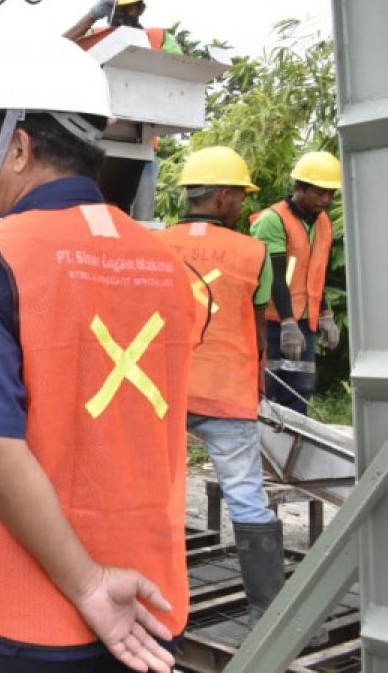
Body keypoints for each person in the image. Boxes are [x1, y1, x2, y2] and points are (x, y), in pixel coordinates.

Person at [0, 34, 194, 672]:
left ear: (18, 147)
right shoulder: (168, 265)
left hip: (16, 618)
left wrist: (87, 583)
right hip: (150, 611)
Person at [158, 147, 290, 629]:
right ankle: (267, 612)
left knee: (159, 494)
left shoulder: (155, 245)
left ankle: (160, 603)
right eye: (240, 195)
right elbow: (255, 328)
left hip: (162, 391)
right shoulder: (253, 251)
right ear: (224, 196)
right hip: (227, 391)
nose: (243, 206)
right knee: (246, 495)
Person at [250, 150, 342, 415]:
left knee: (300, 390)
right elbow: (275, 276)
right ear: (298, 188)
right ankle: (266, 453)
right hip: (272, 323)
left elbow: (316, 272)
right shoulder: (273, 220)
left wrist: (325, 313)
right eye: (319, 192)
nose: (326, 200)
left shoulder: (322, 222)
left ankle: (293, 452)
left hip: (304, 321)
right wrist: (288, 323)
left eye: (331, 193)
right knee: (272, 393)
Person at [63, 0, 183, 53]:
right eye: (118, 9)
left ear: (141, 9)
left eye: (127, 9)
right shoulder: (94, 35)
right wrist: (92, 16)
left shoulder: (158, 38)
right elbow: (57, 50)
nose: (121, 15)